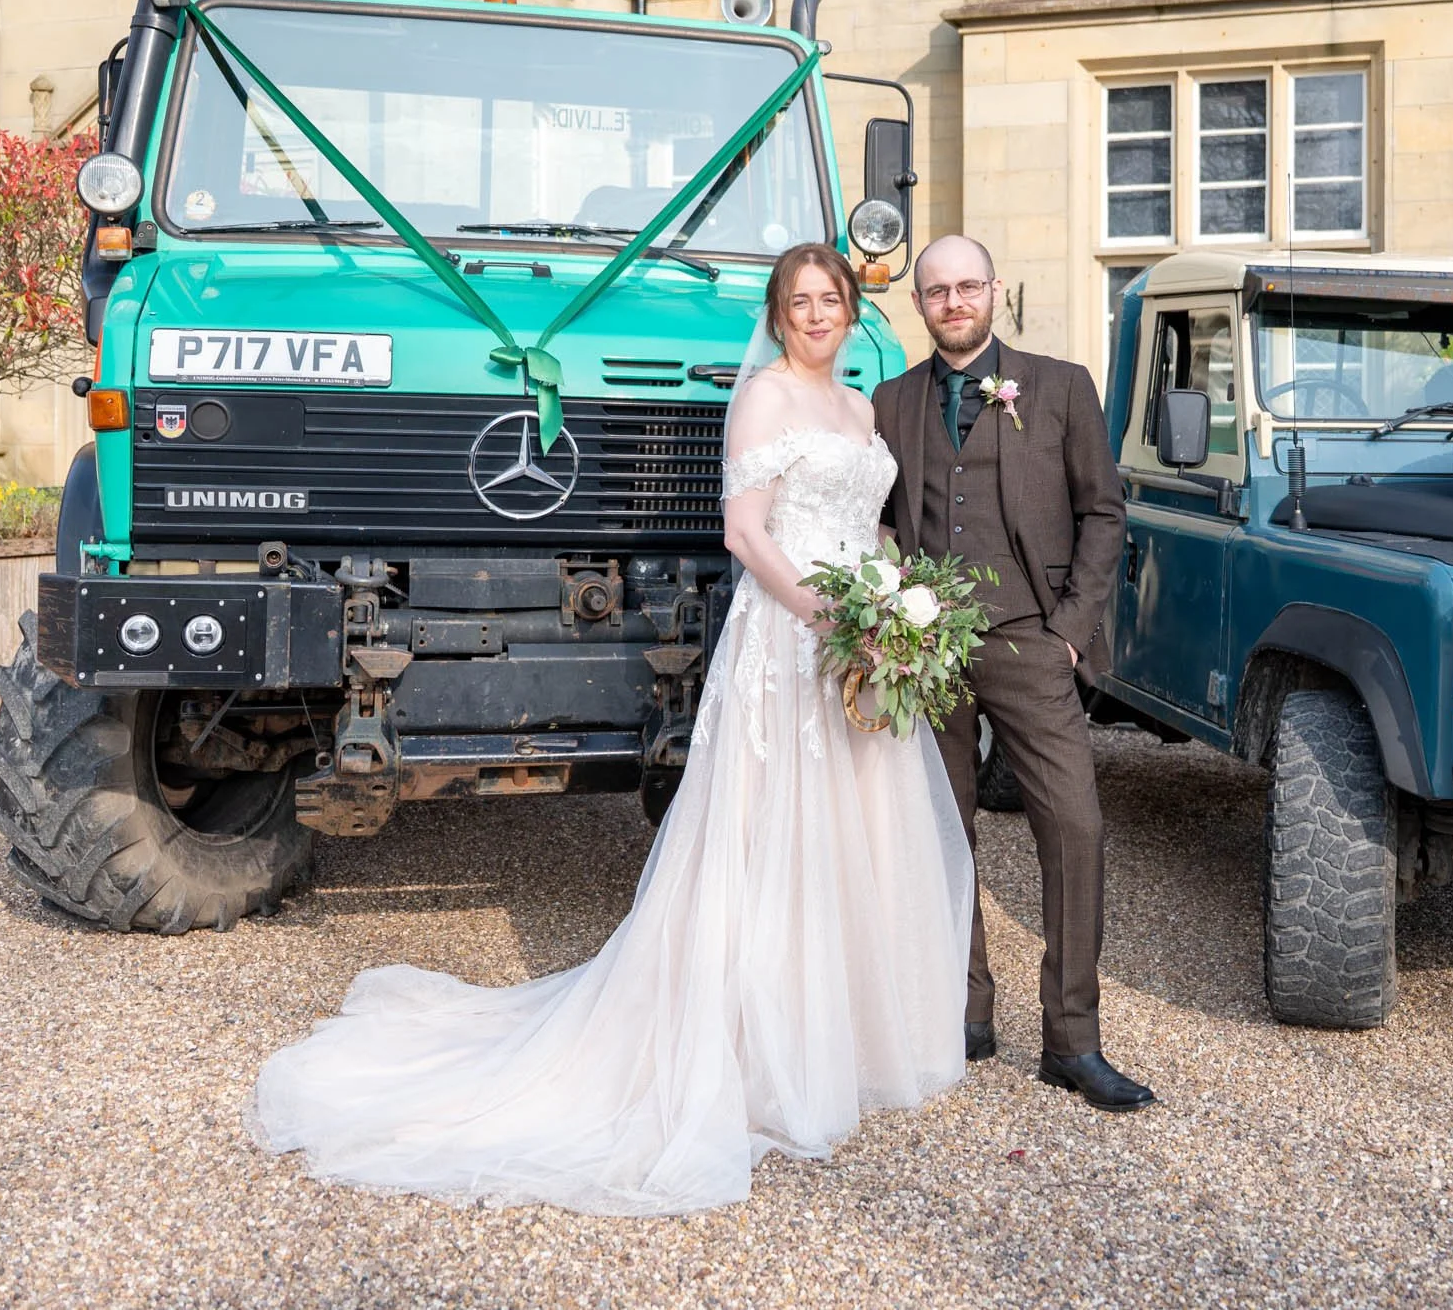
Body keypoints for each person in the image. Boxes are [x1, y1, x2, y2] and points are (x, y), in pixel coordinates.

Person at [248, 243, 976, 1215]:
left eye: (830, 299)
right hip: (788, 633)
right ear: (780, 312)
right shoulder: (762, 396)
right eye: (798, 301)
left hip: (858, 633)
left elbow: (873, 524)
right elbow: (746, 532)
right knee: (767, 836)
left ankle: (836, 1034)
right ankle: (753, 1042)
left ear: (851, 310)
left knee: (851, 833)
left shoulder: (858, 407)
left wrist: (891, 600)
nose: (816, 314)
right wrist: (828, 613)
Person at [871, 235, 1154, 1112]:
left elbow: (1104, 516)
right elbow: (873, 521)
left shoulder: (1062, 384)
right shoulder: (889, 400)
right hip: (928, 649)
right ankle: (966, 1013)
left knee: (1075, 826)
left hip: (1034, 638)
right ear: (919, 304)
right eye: (937, 291)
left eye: (968, 286)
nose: (954, 301)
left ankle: (1072, 1041)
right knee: (941, 832)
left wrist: (1070, 634)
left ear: (996, 291)